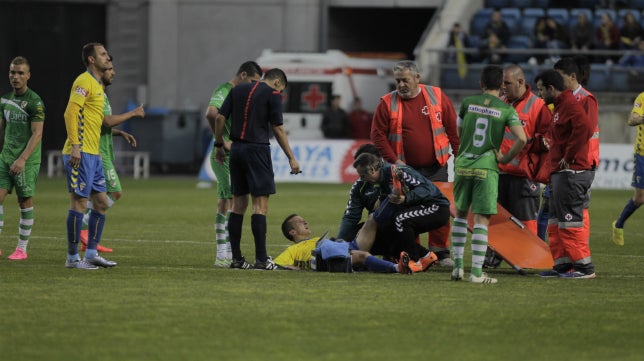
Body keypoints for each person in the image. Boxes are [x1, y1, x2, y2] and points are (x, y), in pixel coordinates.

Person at [371, 60, 459, 266]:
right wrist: (395, 161)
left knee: (440, 209)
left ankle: (441, 252)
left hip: (437, 165)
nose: (401, 85)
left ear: (417, 78)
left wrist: (459, 156)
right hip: (404, 171)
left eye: (405, 80)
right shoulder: (386, 102)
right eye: (397, 80)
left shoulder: (437, 96)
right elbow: (377, 136)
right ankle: (413, 250)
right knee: (406, 210)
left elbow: (452, 130)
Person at [212, 68, 300, 270]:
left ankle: (237, 259)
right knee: (260, 207)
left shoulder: (237, 90)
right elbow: (277, 128)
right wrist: (291, 158)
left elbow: (219, 118)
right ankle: (261, 259)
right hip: (257, 151)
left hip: (236, 150)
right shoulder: (273, 95)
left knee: (238, 206)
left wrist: (218, 145)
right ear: (277, 82)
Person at [451, 65, 526, 284]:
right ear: (502, 85)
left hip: (464, 163)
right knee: (481, 219)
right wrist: (504, 158)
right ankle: (475, 273)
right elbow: (522, 139)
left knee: (461, 214)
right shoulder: (506, 109)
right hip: (486, 167)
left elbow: (460, 131)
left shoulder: (467, 103)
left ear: (480, 84)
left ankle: (457, 268)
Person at [79, 56, 145, 253]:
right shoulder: (94, 90)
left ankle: (88, 240)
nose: (113, 72)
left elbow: (101, 125)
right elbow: (106, 121)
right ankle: (84, 229)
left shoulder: (103, 95)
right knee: (114, 192)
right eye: (109, 69)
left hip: (103, 150)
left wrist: (120, 133)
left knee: (95, 197)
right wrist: (133, 113)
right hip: (97, 152)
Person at [338, 143, 439, 271]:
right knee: (355, 235)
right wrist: (339, 242)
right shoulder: (359, 186)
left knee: (389, 223)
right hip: (379, 224)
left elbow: (422, 192)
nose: (362, 175)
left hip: (405, 220)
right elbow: (350, 217)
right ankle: (402, 256)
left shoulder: (394, 175)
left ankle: (420, 255)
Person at [535, 69, 595, 279]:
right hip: (561, 173)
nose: (539, 93)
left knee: (570, 221)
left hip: (571, 173)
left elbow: (585, 128)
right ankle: (563, 265)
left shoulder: (569, 105)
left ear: (552, 88)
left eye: (541, 89)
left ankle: (584, 268)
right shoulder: (560, 107)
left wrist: (569, 156)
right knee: (555, 222)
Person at [62, 42, 117, 269]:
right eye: (103, 54)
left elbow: (95, 120)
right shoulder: (83, 81)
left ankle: (92, 253)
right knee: (79, 203)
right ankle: (73, 258)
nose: (107, 57)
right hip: (80, 152)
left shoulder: (97, 85)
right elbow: (70, 113)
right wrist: (76, 145)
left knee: (101, 203)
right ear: (92, 60)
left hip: (93, 154)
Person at [205, 61, 263, 267]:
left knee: (228, 200)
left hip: (235, 154)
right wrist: (220, 142)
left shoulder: (240, 95)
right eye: (253, 81)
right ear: (244, 74)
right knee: (230, 201)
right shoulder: (225, 89)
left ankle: (225, 252)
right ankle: (223, 253)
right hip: (224, 155)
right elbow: (211, 113)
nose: (254, 86)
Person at [352, 152, 451, 264]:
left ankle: (413, 260)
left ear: (372, 170)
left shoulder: (398, 172)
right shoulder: (383, 179)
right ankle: (424, 256)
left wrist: (407, 198)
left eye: (363, 176)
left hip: (436, 207)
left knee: (400, 219)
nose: (362, 179)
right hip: (422, 207)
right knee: (388, 226)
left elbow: (427, 188)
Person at [498, 64, 552, 235]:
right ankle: (494, 257)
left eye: (507, 83)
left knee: (527, 225)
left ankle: (531, 260)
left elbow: (548, 140)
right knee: (498, 222)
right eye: (502, 83)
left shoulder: (538, 106)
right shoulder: (498, 103)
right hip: (498, 173)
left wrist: (528, 143)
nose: (503, 87)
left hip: (524, 177)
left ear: (520, 82)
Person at [553, 56, 599, 253]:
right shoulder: (563, 100)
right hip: (565, 165)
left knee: (577, 211)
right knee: (561, 214)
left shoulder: (586, 99)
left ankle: (580, 257)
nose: (556, 81)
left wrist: (569, 157)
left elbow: (584, 132)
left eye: (559, 76)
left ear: (572, 76)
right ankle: (567, 260)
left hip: (581, 164)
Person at [0, 56, 44, 260]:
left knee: (24, 201)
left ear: (28, 76)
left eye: (20, 73)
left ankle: (21, 249)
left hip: (26, 160)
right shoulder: (5, 100)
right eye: (12, 72)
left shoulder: (35, 102)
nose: (15, 77)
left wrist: (23, 159)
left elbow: (37, 134)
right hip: (6, 157)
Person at [276, 214, 415, 274]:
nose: (305, 222)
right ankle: (398, 268)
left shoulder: (316, 239)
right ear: (292, 232)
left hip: (341, 246)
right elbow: (278, 265)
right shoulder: (293, 250)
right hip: (326, 256)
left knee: (372, 219)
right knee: (362, 256)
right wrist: (297, 269)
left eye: (304, 220)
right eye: (300, 222)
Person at [611, 91, 644, 246]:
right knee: (639, 198)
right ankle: (618, 225)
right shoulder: (642, 97)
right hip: (642, 154)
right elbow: (631, 120)